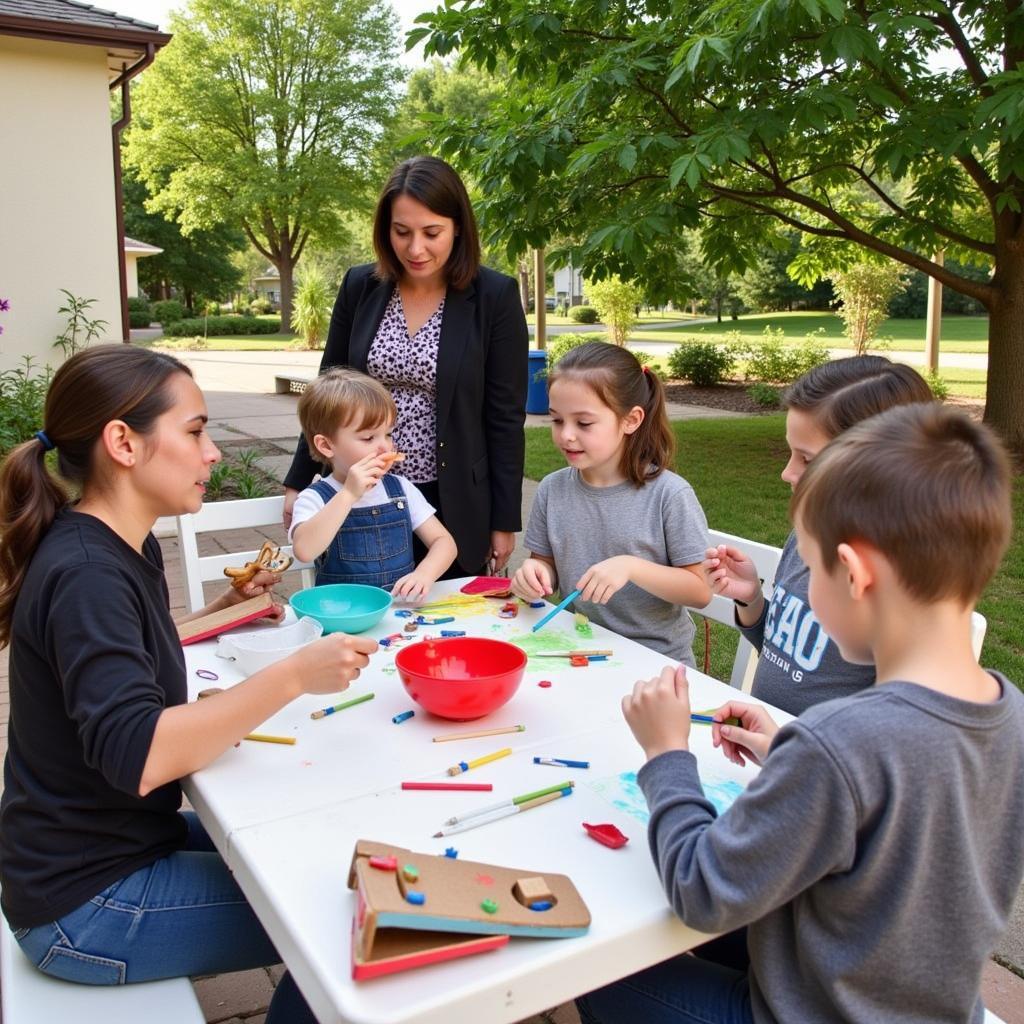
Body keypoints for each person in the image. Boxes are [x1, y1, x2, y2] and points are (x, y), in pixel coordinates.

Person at [579, 403, 1024, 1024]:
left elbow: (700, 891)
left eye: (811, 570)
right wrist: (789, 745)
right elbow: (897, 811)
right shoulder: (1009, 711)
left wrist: (667, 755)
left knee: (598, 973)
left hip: (807, 1011)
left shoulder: (839, 745)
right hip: (924, 1000)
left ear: (855, 574)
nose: (803, 591)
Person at [0, 346, 377, 1022]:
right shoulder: (87, 573)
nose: (212, 453)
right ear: (123, 441)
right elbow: (141, 754)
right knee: (339, 920)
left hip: (119, 846)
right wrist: (295, 673)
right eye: (196, 430)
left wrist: (222, 613)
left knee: (317, 850)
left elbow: (132, 653)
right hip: (84, 906)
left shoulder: (121, 543)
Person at [282, 155, 529, 578]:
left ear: (458, 228)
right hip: (362, 492)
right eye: (402, 232)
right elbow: (327, 389)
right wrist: (299, 480)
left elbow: (505, 417)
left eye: (432, 233)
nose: (416, 249)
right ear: (385, 231)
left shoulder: (495, 297)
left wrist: (504, 520)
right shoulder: (361, 286)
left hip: (450, 501)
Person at [704, 356, 934, 715]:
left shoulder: (902, 586)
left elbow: (894, 724)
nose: (786, 472)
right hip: (776, 747)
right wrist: (751, 600)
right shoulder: (806, 537)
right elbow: (786, 657)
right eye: (790, 453)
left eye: (807, 460)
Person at [511, 341, 712, 666]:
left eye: (584, 423)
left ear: (630, 420)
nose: (566, 436)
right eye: (557, 421)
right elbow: (546, 566)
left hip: (655, 664)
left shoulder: (668, 495)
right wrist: (534, 572)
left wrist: (631, 567)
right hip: (577, 651)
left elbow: (700, 591)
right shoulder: (552, 490)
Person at [289, 367, 457, 598]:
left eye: (388, 434)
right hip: (342, 617)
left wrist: (424, 574)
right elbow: (304, 551)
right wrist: (348, 494)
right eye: (368, 438)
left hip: (399, 613)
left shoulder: (400, 489)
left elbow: (444, 542)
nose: (384, 447)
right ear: (326, 446)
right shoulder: (315, 497)